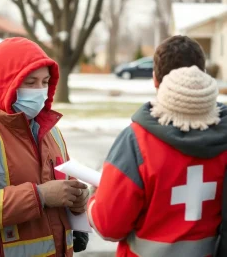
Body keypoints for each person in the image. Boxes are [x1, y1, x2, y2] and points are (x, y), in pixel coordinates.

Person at [0, 37, 89, 257]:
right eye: (30, 83)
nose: (40, 91)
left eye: (45, 82)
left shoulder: (51, 132)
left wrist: (76, 202)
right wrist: (40, 196)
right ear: (4, 82)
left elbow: (58, 189)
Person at [87, 35, 227, 256]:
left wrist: (94, 198)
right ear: (203, 76)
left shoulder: (136, 141)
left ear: (155, 80)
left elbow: (108, 225)